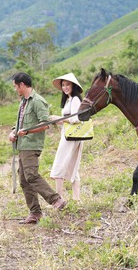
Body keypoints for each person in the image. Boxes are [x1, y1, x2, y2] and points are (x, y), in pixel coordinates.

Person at [9, 72, 66, 224]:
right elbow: (20, 123)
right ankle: (35, 213)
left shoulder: (38, 101)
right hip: (22, 144)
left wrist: (27, 131)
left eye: (16, 87)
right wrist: (13, 132)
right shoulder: (23, 102)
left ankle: (55, 199)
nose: (16, 90)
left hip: (31, 144)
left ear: (22, 85)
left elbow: (45, 124)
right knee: (24, 180)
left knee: (31, 175)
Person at [49, 73, 85, 202]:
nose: (65, 87)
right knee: (72, 165)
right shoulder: (69, 100)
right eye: (63, 85)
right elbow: (68, 120)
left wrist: (58, 118)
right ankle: (77, 199)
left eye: (67, 84)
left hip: (71, 137)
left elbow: (75, 118)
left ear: (73, 86)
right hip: (69, 135)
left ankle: (59, 199)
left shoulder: (75, 99)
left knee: (60, 164)